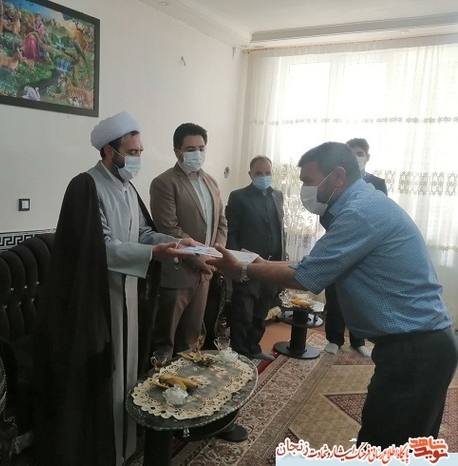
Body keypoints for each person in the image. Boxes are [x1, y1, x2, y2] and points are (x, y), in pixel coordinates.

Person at [206, 142, 458, 449]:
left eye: (309, 181)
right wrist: (260, 263)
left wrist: (245, 270)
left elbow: (306, 276)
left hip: (416, 350)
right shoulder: (363, 204)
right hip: (418, 345)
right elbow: (313, 264)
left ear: (338, 176)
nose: (305, 190)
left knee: (386, 446)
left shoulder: (360, 213)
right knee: (402, 442)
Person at [34, 111, 197, 466]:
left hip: (128, 293)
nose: (137, 159)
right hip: (97, 300)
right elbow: (97, 247)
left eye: (140, 152)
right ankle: (104, 451)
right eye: (132, 152)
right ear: (109, 151)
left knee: (129, 372)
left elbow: (142, 233)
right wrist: (152, 253)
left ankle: (126, 446)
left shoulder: (126, 187)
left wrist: (174, 242)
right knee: (107, 376)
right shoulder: (86, 186)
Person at [149, 122, 226, 360]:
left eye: (201, 148)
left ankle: (186, 379)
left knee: (191, 339)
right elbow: (169, 228)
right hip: (177, 273)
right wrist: (199, 259)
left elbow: (221, 222)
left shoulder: (211, 182)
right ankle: (160, 380)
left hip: (205, 272)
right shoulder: (164, 182)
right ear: (177, 152)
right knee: (165, 341)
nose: (197, 154)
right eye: (191, 149)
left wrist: (215, 256)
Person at [322, 138, 387, 356]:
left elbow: (381, 213)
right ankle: (334, 338)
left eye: (360, 153)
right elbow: (325, 213)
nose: (356, 157)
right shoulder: (338, 181)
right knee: (335, 294)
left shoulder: (378, 183)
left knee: (360, 297)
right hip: (338, 243)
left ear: (367, 157)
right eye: (351, 153)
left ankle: (358, 340)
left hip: (365, 248)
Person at [225, 155, 286, 361]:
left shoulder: (278, 195)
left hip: (271, 266)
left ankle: (254, 348)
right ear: (250, 174)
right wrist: (235, 263)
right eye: (259, 173)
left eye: (267, 172)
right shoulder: (238, 197)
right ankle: (240, 354)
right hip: (247, 266)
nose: (263, 176)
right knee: (243, 313)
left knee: (261, 312)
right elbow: (232, 232)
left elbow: (280, 229)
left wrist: (281, 259)